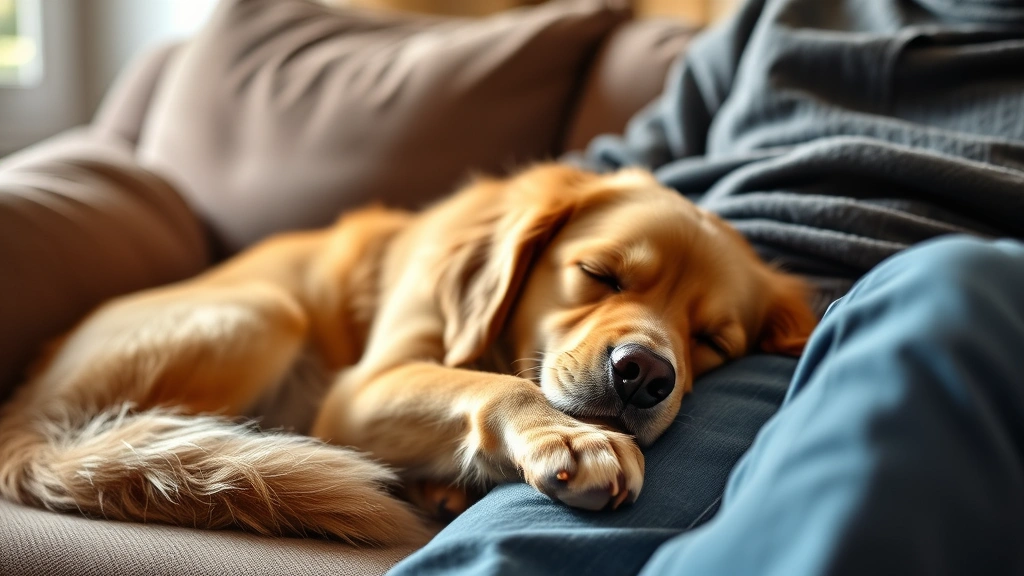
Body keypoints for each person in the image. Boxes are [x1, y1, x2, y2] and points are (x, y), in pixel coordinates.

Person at [389, 0, 1024, 573]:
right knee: (502, 560)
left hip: (925, 321)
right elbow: (617, 171)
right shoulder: (784, 11)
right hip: (731, 346)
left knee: (957, 283)